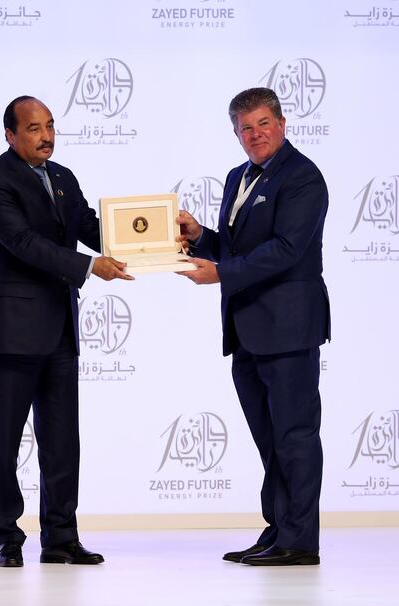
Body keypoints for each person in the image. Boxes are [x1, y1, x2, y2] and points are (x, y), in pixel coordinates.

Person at [0, 95, 131, 568]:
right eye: (34, 128)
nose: (46, 136)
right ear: (11, 135)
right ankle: (6, 536)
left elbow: (91, 228)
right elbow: (22, 243)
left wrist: (157, 237)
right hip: (12, 330)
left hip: (60, 326)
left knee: (62, 438)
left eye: (50, 126)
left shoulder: (62, 178)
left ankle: (61, 537)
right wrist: (89, 267)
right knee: (4, 439)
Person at [177, 87, 330, 566]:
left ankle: (300, 542)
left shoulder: (303, 177)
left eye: (263, 123)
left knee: (295, 437)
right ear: (236, 134)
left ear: (282, 124)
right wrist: (201, 237)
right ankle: (279, 527)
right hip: (246, 331)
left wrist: (220, 273)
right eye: (246, 128)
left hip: (288, 329)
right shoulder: (237, 177)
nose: (255, 134)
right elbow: (240, 248)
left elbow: (287, 249)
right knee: (270, 439)